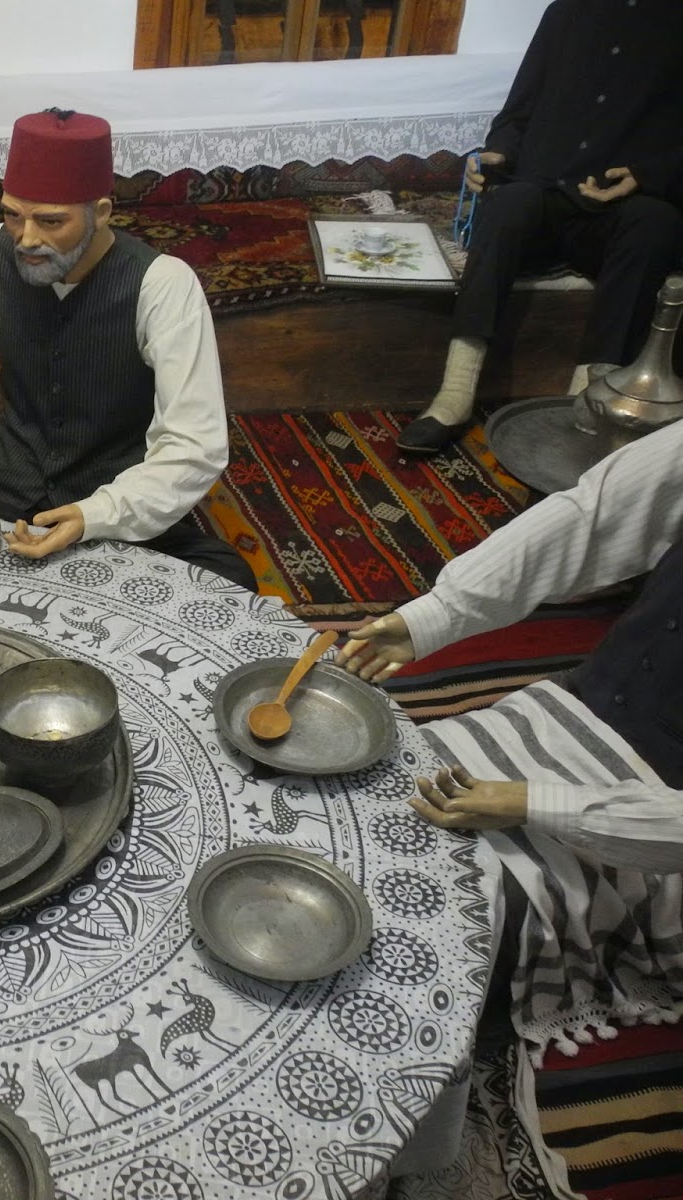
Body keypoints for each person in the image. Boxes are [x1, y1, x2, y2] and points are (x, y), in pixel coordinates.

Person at [340, 417, 683, 1058]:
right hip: (587, 701)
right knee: (364, 799)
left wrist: (534, 803)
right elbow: (593, 515)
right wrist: (429, 619)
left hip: (660, 815)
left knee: (420, 931)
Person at [0, 108, 253, 589]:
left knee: (228, 584)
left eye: (51, 221)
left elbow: (194, 445)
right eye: (12, 215)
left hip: (113, 507)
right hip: (6, 500)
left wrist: (94, 514)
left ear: (101, 212)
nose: (27, 239)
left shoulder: (163, 283)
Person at [397, 0, 683, 456]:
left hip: (621, 212)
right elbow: (518, 114)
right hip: (545, 196)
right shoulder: (566, 12)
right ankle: (454, 393)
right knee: (508, 203)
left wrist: (648, 175)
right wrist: (499, 153)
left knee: (655, 223)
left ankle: (586, 405)